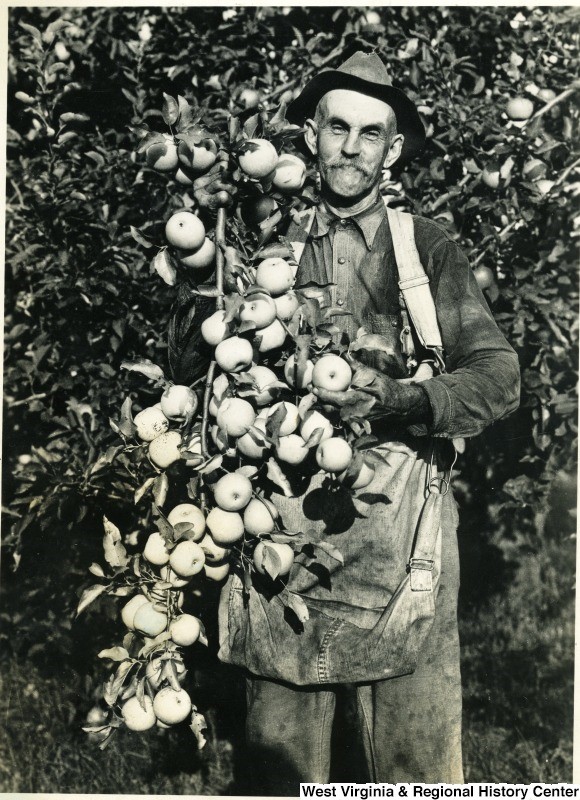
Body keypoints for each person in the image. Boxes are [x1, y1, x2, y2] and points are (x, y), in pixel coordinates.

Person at [172, 52, 520, 793]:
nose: (352, 147)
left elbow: (499, 378)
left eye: (371, 133)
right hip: (282, 536)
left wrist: (399, 400)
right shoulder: (266, 251)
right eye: (337, 127)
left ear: (392, 150)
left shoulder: (425, 250)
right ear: (311, 136)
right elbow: (203, 372)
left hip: (404, 536)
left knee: (416, 771)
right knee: (281, 768)